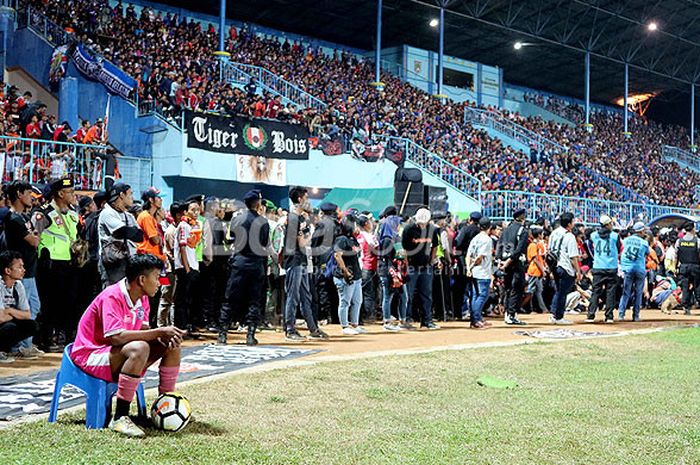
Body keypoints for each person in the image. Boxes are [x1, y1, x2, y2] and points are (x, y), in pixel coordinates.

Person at [71, 254, 185, 437]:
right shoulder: (112, 296)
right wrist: (158, 332)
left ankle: (167, 404)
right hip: (89, 354)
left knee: (171, 344)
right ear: (142, 279)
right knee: (140, 348)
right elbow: (115, 337)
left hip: (114, 353)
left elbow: (143, 329)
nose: (159, 282)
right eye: (156, 277)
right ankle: (120, 417)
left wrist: (163, 336)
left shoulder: (143, 297)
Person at [218, 190, 270, 345]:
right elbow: (264, 244)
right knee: (254, 300)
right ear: (258, 203)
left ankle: (222, 334)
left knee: (229, 299)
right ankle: (250, 334)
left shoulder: (236, 220)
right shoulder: (263, 222)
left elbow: (230, 239)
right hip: (256, 263)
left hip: (239, 262)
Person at [34, 178, 79, 351]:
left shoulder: (73, 213)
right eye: (71, 192)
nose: (74, 195)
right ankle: (47, 337)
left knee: (68, 302)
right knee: (49, 303)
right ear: (60, 194)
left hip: (70, 263)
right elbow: (35, 234)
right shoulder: (44, 212)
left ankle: (64, 335)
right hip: (51, 264)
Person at [4, 181, 42, 359]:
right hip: (18, 272)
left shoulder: (25, 218)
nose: (31, 197)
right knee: (24, 308)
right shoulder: (13, 219)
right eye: (28, 193)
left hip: (30, 270)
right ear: (19, 194)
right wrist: (38, 230)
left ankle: (25, 345)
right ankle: (18, 347)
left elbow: (34, 238)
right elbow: (34, 241)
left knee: (33, 307)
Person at [282, 187, 325, 341]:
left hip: (301, 260)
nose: (309, 201)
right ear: (300, 199)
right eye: (306, 198)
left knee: (305, 296)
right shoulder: (294, 218)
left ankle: (313, 328)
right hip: (294, 261)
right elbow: (301, 243)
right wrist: (310, 235)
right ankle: (290, 329)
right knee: (293, 297)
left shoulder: (300, 218)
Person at [98, 183, 143, 286]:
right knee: (112, 295)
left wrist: (127, 232)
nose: (132, 197)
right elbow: (122, 231)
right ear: (122, 195)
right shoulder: (107, 212)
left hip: (128, 261)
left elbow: (140, 236)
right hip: (113, 264)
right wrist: (128, 231)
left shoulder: (128, 215)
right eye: (130, 194)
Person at [401, 207, 440, 330]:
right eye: (420, 223)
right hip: (412, 266)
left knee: (426, 294)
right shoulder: (408, 229)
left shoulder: (432, 230)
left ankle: (426, 320)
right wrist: (406, 264)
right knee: (408, 294)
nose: (422, 225)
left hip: (426, 267)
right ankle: (406, 319)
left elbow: (435, 246)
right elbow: (404, 249)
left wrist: (432, 260)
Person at [0, 251, 38, 363]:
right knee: (10, 327)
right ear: (8, 270)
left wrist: (9, 311)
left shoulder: (18, 285)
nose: (24, 270)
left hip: (6, 319)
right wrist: (15, 315)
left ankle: (10, 350)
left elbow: (27, 314)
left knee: (31, 325)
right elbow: (1, 318)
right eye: (19, 267)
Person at [376, 210, 409, 331]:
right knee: (387, 296)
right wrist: (394, 275)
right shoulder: (387, 240)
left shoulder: (396, 238)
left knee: (403, 295)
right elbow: (387, 259)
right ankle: (386, 322)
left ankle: (402, 320)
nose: (398, 225)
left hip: (397, 270)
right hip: (388, 271)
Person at [173, 199, 202, 335]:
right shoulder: (183, 226)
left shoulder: (193, 226)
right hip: (185, 267)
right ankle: (181, 327)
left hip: (192, 265)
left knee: (189, 299)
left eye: (197, 210)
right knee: (182, 299)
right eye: (192, 210)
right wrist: (187, 268)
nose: (196, 213)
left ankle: (187, 326)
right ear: (185, 212)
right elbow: (182, 248)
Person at [586, 215, 620, 323]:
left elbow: (590, 244)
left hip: (598, 266)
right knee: (610, 293)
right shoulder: (615, 236)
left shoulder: (594, 235)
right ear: (608, 224)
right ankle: (609, 316)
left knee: (595, 292)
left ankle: (590, 315)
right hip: (611, 267)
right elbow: (618, 248)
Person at [333, 216, 365, 335]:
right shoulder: (342, 239)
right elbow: (337, 255)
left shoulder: (352, 238)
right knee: (345, 301)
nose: (357, 227)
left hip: (356, 275)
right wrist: (345, 271)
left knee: (357, 301)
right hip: (345, 276)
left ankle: (355, 324)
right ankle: (344, 325)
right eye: (355, 224)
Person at [497, 208, 528, 325]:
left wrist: (500, 260)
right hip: (515, 263)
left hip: (505, 263)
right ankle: (511, 314)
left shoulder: (506, 230)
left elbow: (500, 245)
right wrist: (508, 261)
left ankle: (508, 313)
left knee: (508, 288)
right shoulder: (522, 230)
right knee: (517, 288)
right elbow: (519, 250)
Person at [548, 212, 581, 325]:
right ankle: (559, 316)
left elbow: (549, 250)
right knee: (562, 293)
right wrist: (578, 271)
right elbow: (573, 257)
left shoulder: (554, 233)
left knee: (558, 291)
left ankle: (553, 314)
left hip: (554, 266)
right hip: (565, 266)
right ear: (569, 223)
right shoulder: (569, 236)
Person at [465, 217, 494, 329]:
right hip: (482, 272)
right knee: (482, 296)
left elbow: (469, 255)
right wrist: (471, 267)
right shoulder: (487, 240)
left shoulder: (475, 238)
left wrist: (468, 268)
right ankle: (475, 319)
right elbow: (480, 257)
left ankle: (476, 318)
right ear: (489, 227)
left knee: (475, 296)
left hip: (474, 272)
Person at [618, 222, 650, 322]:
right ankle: (636, 316)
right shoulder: (644, 242)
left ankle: (621, 314)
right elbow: (647, 253)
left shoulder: (626, 240)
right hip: (639, 268)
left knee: (626, 292)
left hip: (627, 268)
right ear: (640, 231)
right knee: (638, 292)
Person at [454, 211, 482, 320]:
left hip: (464, 260)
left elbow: (458, 243)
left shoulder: (466, 229)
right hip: (477, 261)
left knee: (461, 288)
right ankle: (473, 312)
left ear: (470, 219)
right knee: (474, 289)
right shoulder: (480, 231)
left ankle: (460, 312)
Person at [674, 222, 700, 316]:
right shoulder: (697, 241)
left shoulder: (679, 241)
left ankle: (686, 307)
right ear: (693, 229)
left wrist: (675, 267)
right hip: (695, 267)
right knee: (697, 286)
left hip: (683, 267)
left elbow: (676, 256)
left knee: (685, 287)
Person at [357, 214, 379, 324]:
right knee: (368, 294)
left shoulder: (358, 236)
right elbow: (377, 248)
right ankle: (368, 316)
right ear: (366, 224)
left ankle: (362, 316)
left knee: (361, 293)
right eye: (369, 222)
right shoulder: (369, 236)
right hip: (368, 266)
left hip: (361, 266)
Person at [524, 226, 547, 314]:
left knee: (538, 291)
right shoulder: (533, 245)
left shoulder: (536, 245)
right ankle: (527, 308)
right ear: (538, 235)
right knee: (531, 291)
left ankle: (542, 308)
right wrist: (542, 270)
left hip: (537, 271)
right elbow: (535, 259)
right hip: (534, 270)